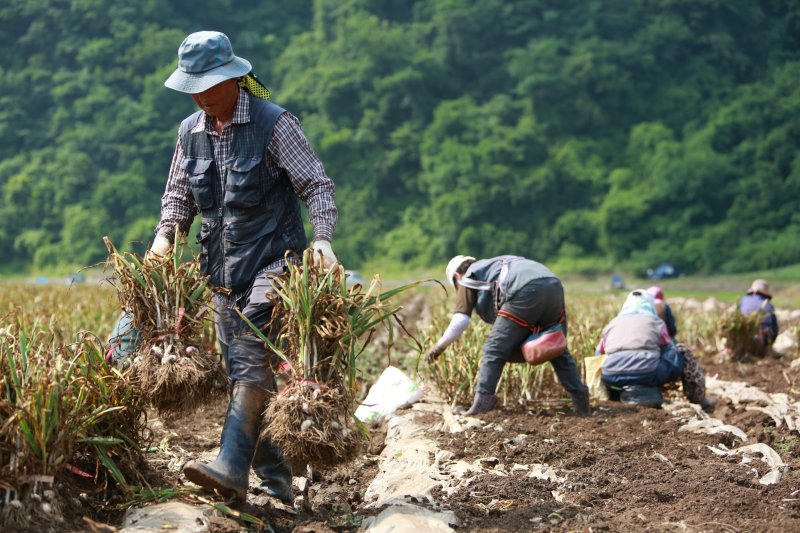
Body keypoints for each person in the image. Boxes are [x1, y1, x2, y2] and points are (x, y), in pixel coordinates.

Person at [110, 31, 338, 504]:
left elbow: (316, 186)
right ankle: (276, 487)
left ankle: (231, 467)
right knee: (244, 371)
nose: (202, 95)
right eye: (194, 87)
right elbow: (178, 195)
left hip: (277, 262)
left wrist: (323, 240)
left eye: (210, 85)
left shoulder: (274, 124)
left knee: (252, 353)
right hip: (222, 272)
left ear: (235, 78)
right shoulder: (190, 130)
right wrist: (164, 236)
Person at [426, 255, 590, 417]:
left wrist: (438, 349)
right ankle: (581, 401)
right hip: (553, 284)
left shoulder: (469, 277)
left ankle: (482, 404)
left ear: (456, 277)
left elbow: (460, 321)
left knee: (493, 349)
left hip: (524, 289)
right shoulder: (493, 266)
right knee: (554, 345)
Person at [597, 289, 712, 410]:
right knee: (682, 351)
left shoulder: (611, 324)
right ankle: (698, 398)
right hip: (648, 373)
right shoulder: (656, 322)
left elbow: (598, 353)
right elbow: (670, 349)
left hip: (612, 376)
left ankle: (613, 394)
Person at [737, 279, 779, 357]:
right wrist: (769, 344)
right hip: (761, 339)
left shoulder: (743, 300)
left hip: (742, 338)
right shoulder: (769, 305)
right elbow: (775, 329)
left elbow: (737, 316)